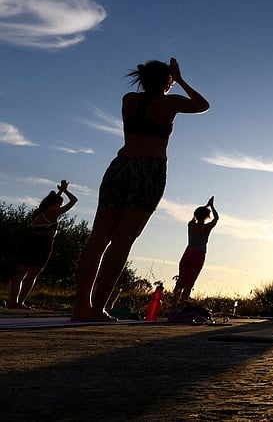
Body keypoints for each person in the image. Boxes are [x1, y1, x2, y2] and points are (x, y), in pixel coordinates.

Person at [72, 58, 209, 322]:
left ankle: (81, 307)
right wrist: (179, 79)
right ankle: (97, 307)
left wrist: (170, 79)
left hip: (120, 166)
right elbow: (203, 105)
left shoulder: (129, 100)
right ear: (166, 81)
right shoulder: (170, 103)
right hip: (149, 171)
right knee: (122, 241)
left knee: (97, 240)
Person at [8, 180, 78, 309]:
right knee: (32, 273)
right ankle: (19, 303)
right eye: (59, 204)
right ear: (55, 204)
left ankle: (14, 302)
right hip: (43, 245)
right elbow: (74, 201)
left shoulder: (37, 213)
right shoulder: (53, 213)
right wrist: (66, 191)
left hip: (30, 242)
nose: (60, 206)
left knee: (20, 272)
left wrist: (60, 191)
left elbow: (50, 202)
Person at [172, 196, 219, 306]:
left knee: (181, 280)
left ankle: (173, 304)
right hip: (198, 255)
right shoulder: (206, 228)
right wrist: (211, 206)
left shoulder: (191, 225)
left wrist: (203, 207)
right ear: (207, 216)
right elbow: (216, 218)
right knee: (189, 282)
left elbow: (194, 217)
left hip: (188, 253)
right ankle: (182, 305)